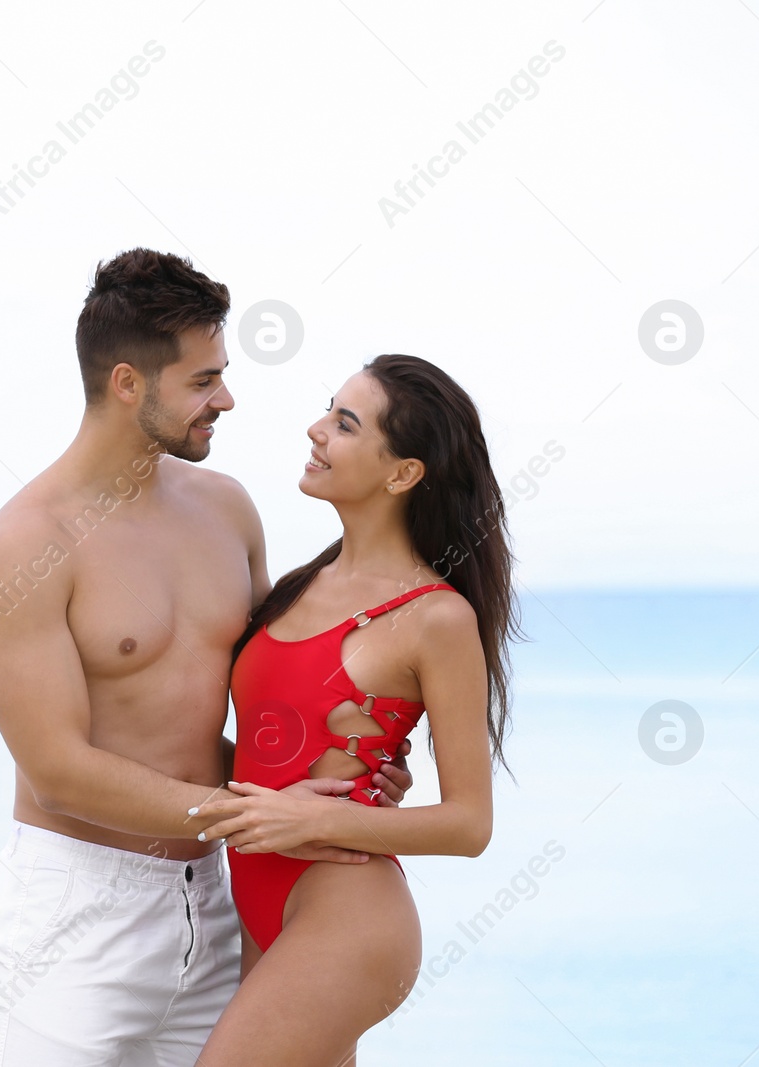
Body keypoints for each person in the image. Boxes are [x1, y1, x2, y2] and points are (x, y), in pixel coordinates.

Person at [0, 249, 416, 1066]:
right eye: (203, 380)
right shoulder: (27, 543)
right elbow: (57, 770)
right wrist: (257, 814)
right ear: (129, 384)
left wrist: (349, 761)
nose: (227, 399)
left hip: (213, 901)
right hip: (74, 915)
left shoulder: (226, 509)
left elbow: (273, 690)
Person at [190, 354, 517, 1065]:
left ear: (403, 473)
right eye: (327, 410)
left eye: (344, 423)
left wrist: (320, 816)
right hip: (257, 900)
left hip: (350, 915)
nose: (316, 431)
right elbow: (268, 743)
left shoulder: (437, 618)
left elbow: (471, 823)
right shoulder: (296, 586)